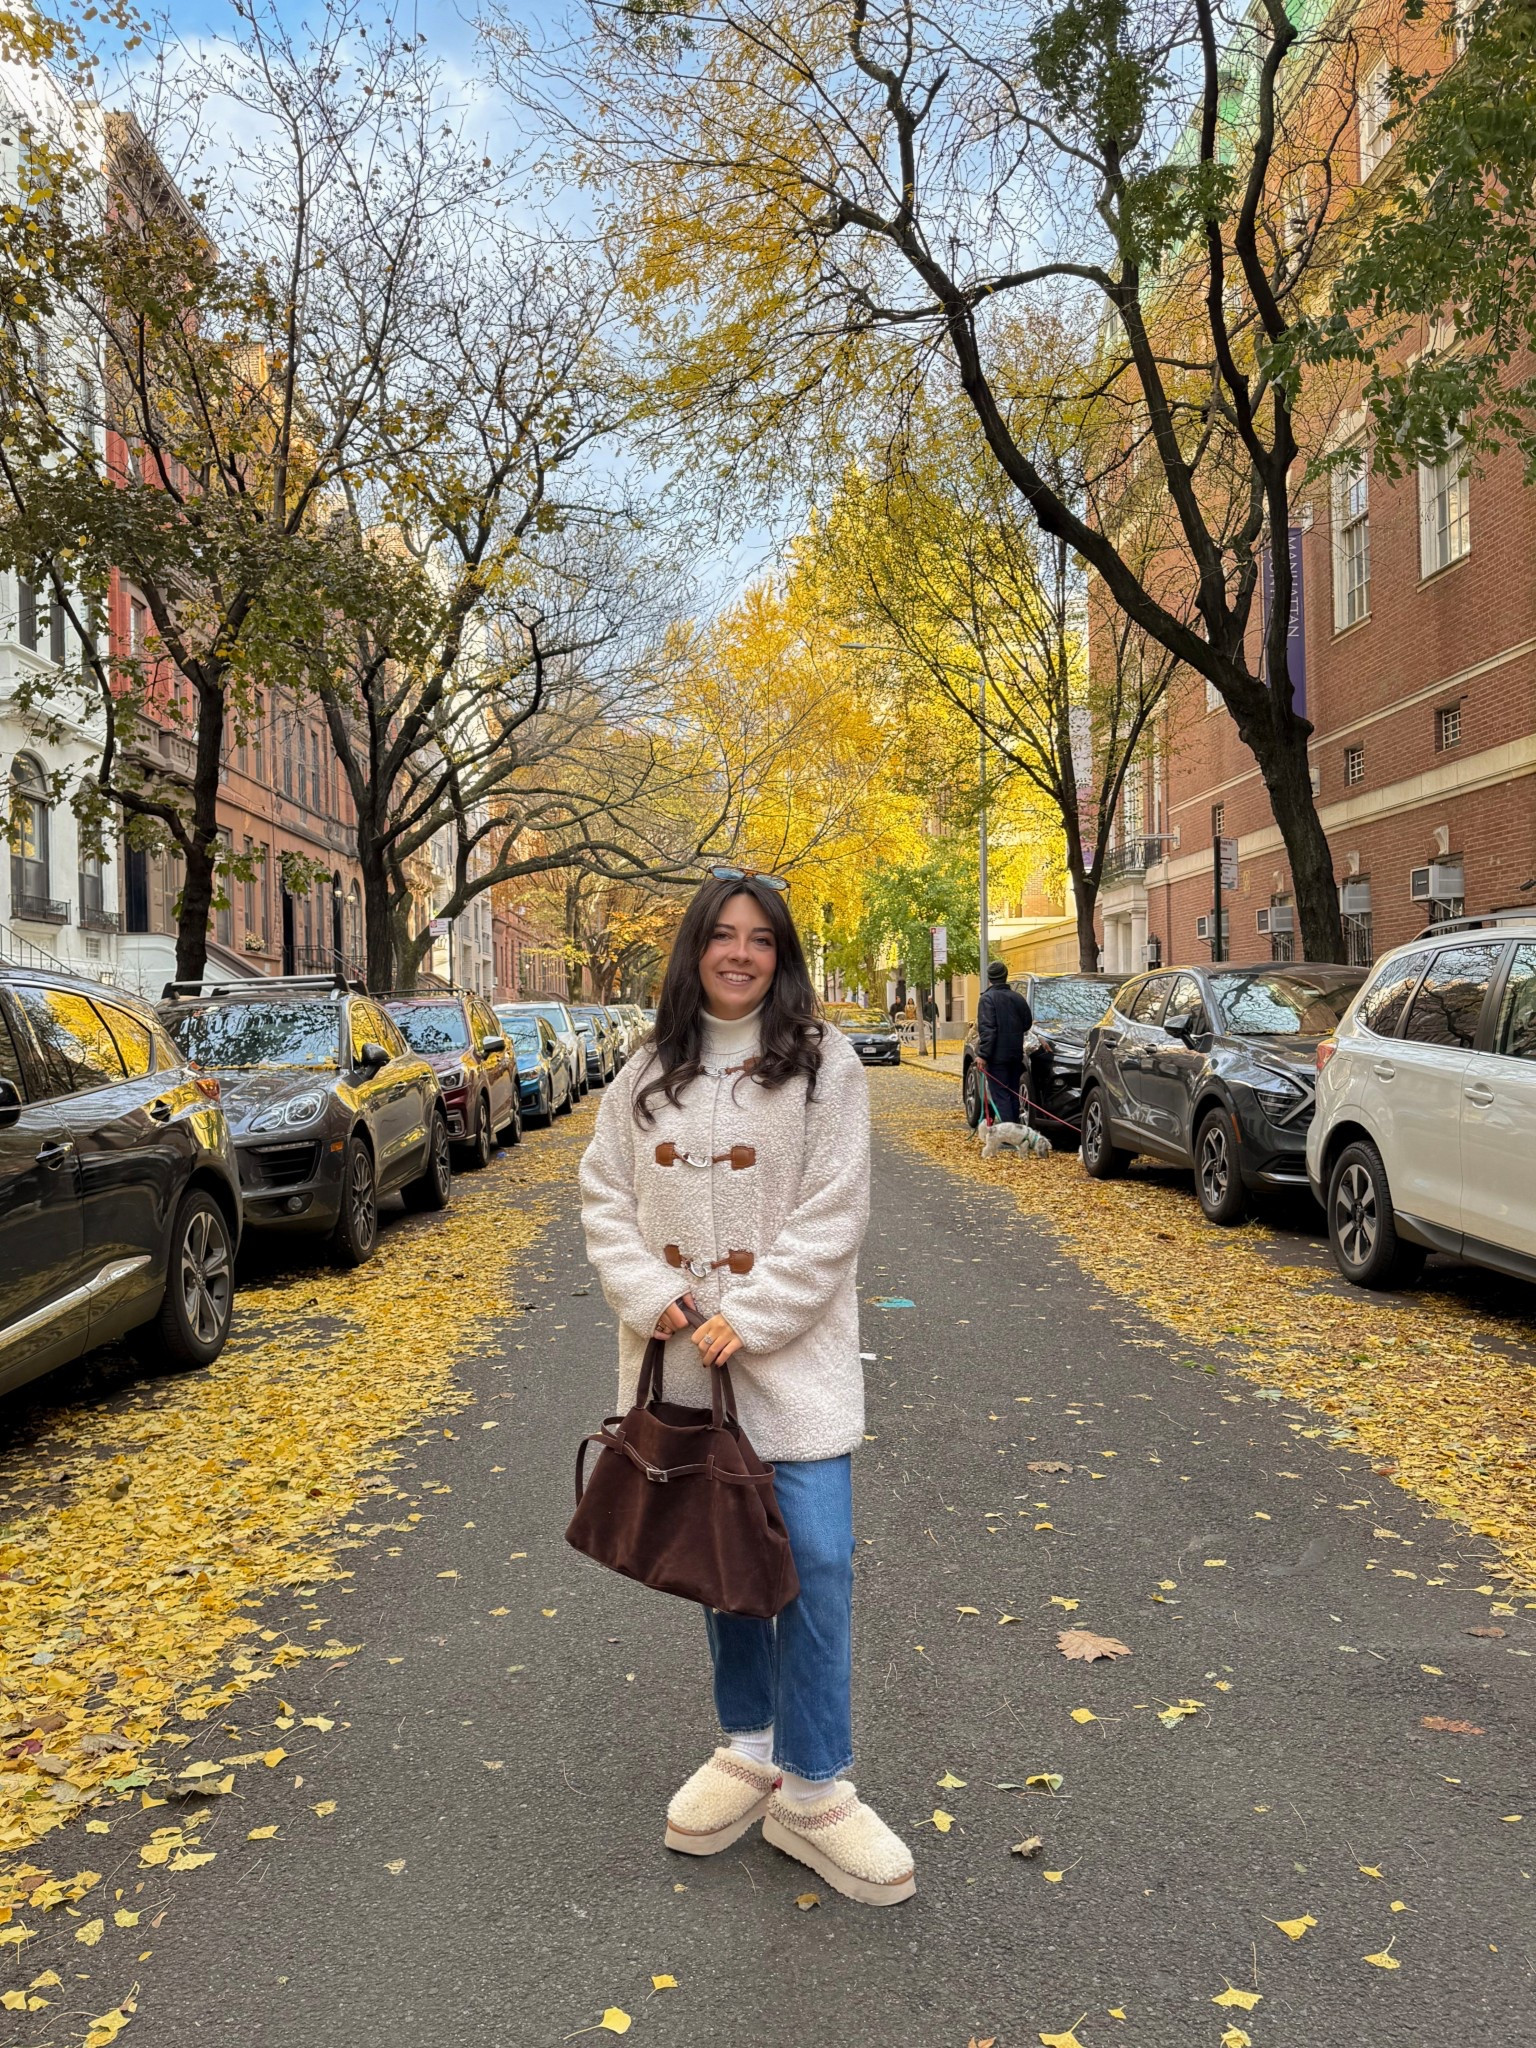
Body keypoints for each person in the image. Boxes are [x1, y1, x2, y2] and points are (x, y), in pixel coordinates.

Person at [578, 872, 916, 1908]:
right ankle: (749, 1744)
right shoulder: (644, 1069)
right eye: (721, 936)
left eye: (760, 938)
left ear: (782, 954)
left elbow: (834, 1209)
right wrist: (651, 1290)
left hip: (790, 1357)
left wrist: (756, 1312)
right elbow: (602, 1193)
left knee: (813, 1557)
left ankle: (815, 1789)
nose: (739, 953)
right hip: (682, 1361)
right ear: (693, 950)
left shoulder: (825, 1065)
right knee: (721, 1553)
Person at [975, 959, 1034, 1124]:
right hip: (1015, 1053)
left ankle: (1010, 1133)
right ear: (1005, 976)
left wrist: (983, 1055)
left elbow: (988, 1029)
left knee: (1001, 1093)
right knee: (1013, 1092)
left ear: (989, 979)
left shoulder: (987, 999)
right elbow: (1027, 1023)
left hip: (996, 1056)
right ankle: (1014, 1129)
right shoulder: (1017, 998)